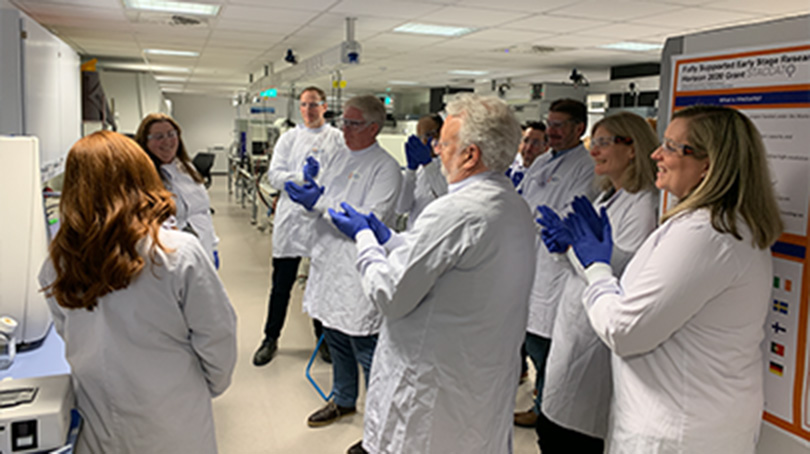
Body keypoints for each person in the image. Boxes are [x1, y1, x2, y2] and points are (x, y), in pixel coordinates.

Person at [565, 105, 782, 453]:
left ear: (708, 166)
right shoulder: (713, 226)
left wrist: (597, 270)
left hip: (677, 430)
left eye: (670, 146)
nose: (655, 154)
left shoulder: (705, 235)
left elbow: (625, 330)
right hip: (688, 416)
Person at [329, 93, 537, 454]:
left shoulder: (456, 211)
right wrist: (389, 239)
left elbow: (389, 295)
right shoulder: (513, 206)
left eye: (443, 142)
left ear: (470, 155)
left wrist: (364, 240)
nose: (437, 150)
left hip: (431, 394)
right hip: (477, 382)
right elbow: (440, 260)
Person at [39, 131, 237, 454]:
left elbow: (66, 330)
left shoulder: (58, 261)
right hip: (172, 416)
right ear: (141, 176)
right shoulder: (176, 252)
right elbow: (218, 335)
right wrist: (204, 386)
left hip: (98, 419)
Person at [535, 112, 660, 452]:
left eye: (604, 143)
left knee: (571, 436)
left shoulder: (643, 204)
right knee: (551, 425)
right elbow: (585, 261)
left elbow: (621, 271)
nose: (594, 150)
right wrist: (562, 247)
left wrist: (576, 250)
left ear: (632, 148)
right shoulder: (605, 197)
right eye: (595, 142)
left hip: (597, 331)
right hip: (575, 321)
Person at [285, 95, 402, 428]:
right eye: (344, 122)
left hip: (357, 270)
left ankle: (380, 425)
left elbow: (369, 219)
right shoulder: (338, 155)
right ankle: (344, 399)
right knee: (335, 339)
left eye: (353, 123)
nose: (344, 129)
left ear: (374, 128)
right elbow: (327, 203)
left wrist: (320, 201)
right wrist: (312, 189)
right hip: (329, 265)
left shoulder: (385, 167)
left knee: (366, 349)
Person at [515, 99, 597, 431]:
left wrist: (530, 217)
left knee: (548, 347)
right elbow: (523, 201)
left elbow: (567, 216)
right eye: (550, 123)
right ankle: (541, 400)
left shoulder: (586, 167)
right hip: (531, 261)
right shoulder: (543, 161)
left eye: (560, 125)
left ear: (580, 128)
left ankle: (545, 408)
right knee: (532, 342)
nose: (552, 131)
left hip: (555, 267)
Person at [253, 86, 344, 366]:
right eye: (304, 105)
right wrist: (301, 177)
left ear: (324, 106)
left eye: (314, 104)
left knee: (320, 284)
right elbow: (275, 177)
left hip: (321, 221)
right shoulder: (288, 139)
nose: (308, 110)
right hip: (291, 223)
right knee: (281, 286)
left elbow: (343, 176)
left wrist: (321, 190)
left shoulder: (338, 139)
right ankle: (270, 338)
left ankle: (323, 340)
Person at [135, 113, 220, 266]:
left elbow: (203, 210)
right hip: (166, 258)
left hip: (202, 250)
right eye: (158, 136)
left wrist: (213, 246)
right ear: (144, 141)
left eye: (171, 134)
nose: (167, 141)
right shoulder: (140, 176)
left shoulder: (186, 167)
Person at [394, 113, 448, 229]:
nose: (423, 141)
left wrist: (428, 164)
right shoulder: (420, 171)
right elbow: (402, 207)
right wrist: (410, 171)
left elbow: (446, 198)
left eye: (428, 135)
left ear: (442, 134)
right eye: (420, 137)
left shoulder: (452, 166)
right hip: (414, 234)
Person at [505, 121, 549, 190]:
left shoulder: (548, 176)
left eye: (535, 143)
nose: (528, 147)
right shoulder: (507, 168)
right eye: (526, 140)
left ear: (546, 148)